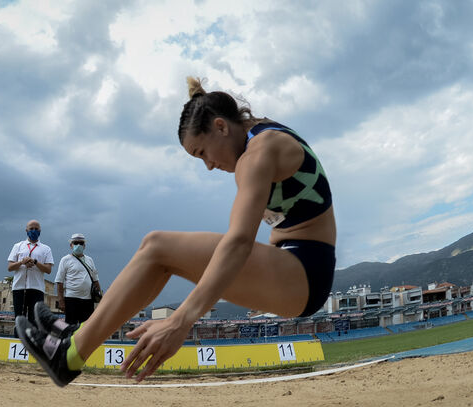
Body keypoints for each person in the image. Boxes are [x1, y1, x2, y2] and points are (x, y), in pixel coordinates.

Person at [17, 77, 336, 386]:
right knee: (155, 250)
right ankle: (75, 338)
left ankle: (69, 353)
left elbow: (239, 241)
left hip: (304, 275)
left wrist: (180, 320)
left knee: (157, 246)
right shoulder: (256, 135)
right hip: (293, 267)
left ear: (221, 127)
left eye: (201, 153)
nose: (209, 165)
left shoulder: (258, 153)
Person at [7, 219, 53, 323]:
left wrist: (35, 262)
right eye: (31, 229)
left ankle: (33, 338)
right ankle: (18, 338)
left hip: (36, 288)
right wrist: (22, 262)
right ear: (26, 230)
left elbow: (48, 269)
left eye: (36, 229)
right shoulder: (18, 246)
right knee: (19, 319)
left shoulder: (46, 249)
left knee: (35, 319)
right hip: (19, 287)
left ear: (40, 231)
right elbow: (10, 267)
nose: (34, 231)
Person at [54, 233, 102, 325]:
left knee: (86, 328)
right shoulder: (65, 260)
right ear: (71, 245)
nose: (78, 245)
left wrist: (101, 298)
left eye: (81, 243)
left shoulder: (90, 260)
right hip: (71, 299)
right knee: (71, 327)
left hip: (88, 300)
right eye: (75, 243)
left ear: (84, 246)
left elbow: (95, 280)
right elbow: (59, 282)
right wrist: (61, 301)